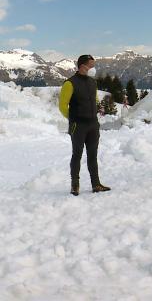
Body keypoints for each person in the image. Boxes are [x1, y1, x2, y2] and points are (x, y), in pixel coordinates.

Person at [58, 54, 111, 196]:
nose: (93, 68)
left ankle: (96, 184)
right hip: (78, 125)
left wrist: (96, 109)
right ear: (82, 66)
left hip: (93, 124)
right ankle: (75, 185)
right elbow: (62, 106)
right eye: (91, 65)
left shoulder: (92, 82)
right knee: (77, 155)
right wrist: (73, 119)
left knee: (92, 155)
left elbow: (93, 99)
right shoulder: (69, 83)